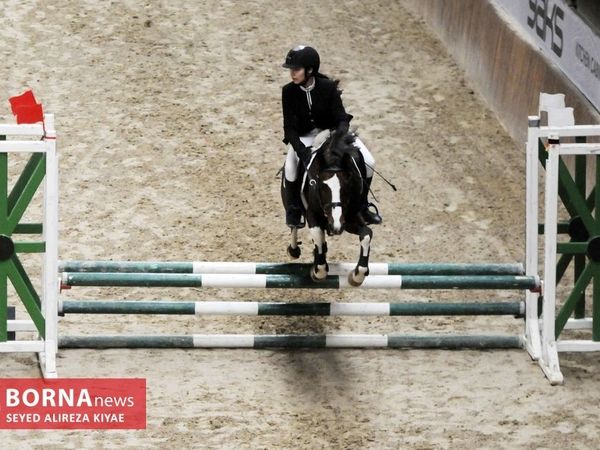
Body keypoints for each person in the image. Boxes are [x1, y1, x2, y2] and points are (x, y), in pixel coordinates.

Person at [281, 45, 382, 227]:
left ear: (310, 70)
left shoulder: (327, 87)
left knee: (369, 161)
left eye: (296, 69)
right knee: (290, 166)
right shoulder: (288, 92)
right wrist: (301, 150)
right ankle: (294, 209)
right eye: (291, 70)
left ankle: (363, 206)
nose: (292, 74)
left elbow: (342, 119)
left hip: (331, 132)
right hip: (304, 136)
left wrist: (339, 138)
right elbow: (289, 129)